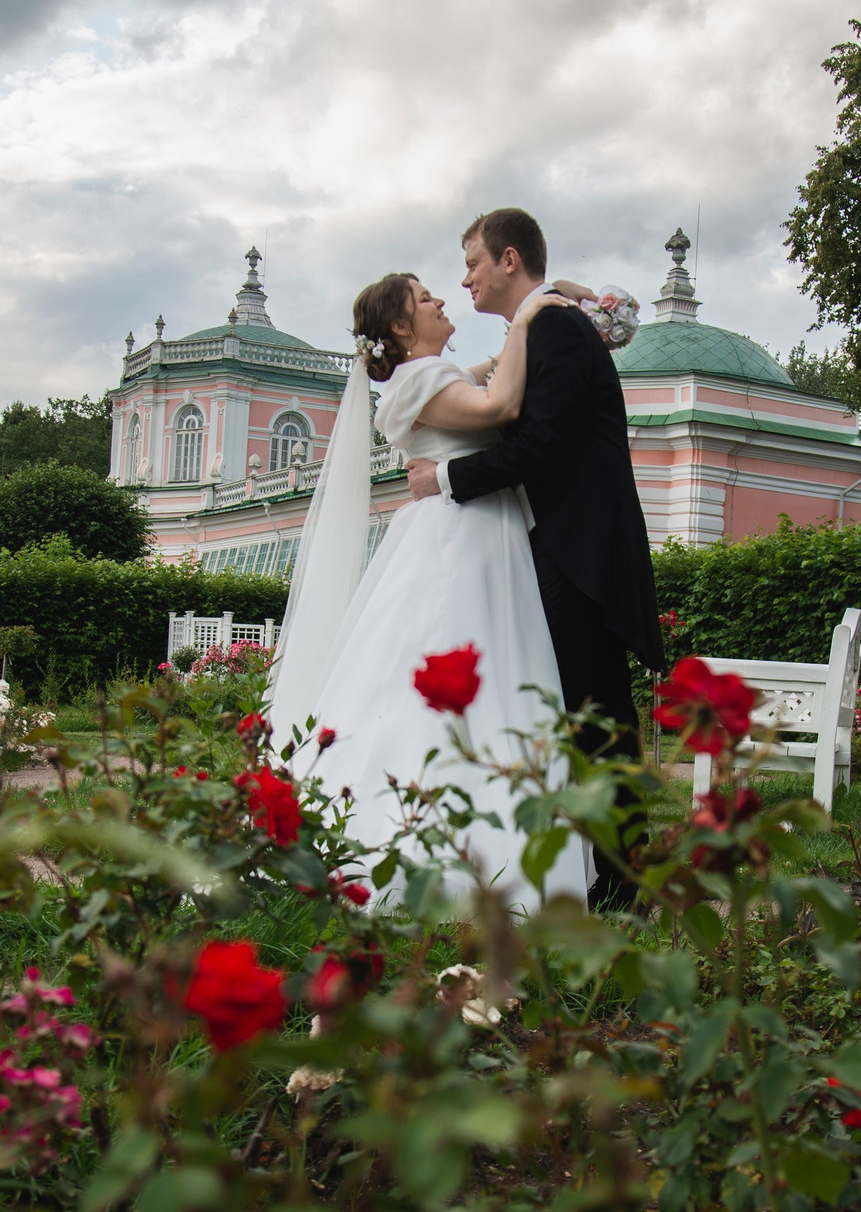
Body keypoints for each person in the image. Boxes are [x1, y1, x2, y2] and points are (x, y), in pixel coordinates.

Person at [271, 265, 600, 909]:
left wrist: (550, 301)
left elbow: (486, 372)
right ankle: (441, 857)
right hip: (462, 538)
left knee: (469, 675)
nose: (442, 298)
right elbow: (501, 405)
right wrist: (531, 314)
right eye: (424, 298)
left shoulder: (428, 374)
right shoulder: (422, 377)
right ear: (400, 325)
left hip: (475, 531)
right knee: (471, 671)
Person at [408, 210, 664, 908]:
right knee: (586, 710)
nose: (464, 279)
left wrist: (447, 480)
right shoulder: (546, 323)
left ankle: (617, 883)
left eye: (473, 263)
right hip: (567, 542)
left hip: (581, 547)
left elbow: (542, 446)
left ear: (510, 258)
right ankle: (603, 870)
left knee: (595, 711)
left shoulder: (551, 325)